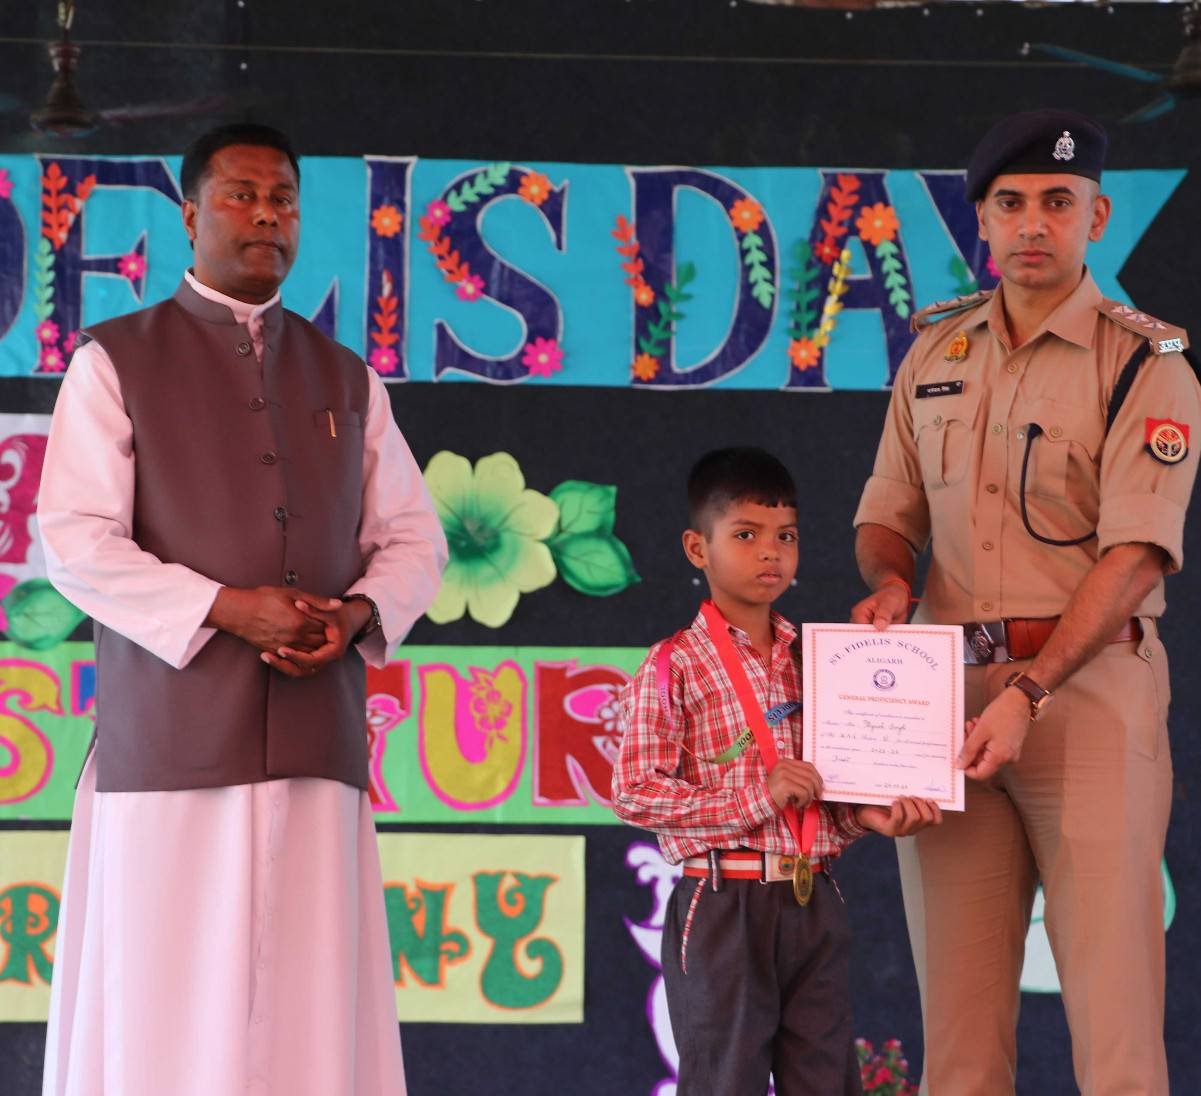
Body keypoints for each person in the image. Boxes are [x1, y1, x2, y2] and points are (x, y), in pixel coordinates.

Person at [37, 123, 446, 1096]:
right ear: (188, 216)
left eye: (284, 200)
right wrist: (225, 607)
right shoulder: (115, 360)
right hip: (169, 746)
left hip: (315, 741)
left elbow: (414, 540)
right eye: (241, 195)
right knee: (160, 1006)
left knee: (311, 1007)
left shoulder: (346, 375)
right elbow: (76, 539)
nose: (266, 215)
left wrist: (354, 618)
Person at [851, 109, 1201, 1095]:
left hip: (1085, 699)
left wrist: (1030, 692)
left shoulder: (1145, 363)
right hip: (948, 708)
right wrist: (889, 580)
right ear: (982, 221)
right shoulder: (934, 351)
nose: (1031, 223)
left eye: (1056, 201)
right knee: (957, 1052)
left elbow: (1135, 557)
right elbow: (886, 513)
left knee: (1116, 1041)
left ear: (1097, 215)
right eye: (1009, 203)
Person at [613, 446, 941, 1096]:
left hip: (811, 898)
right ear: (697, 548)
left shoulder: (819, 662)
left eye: (785, 537)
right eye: (746, 535)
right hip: (721, 903)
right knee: (724, 1080)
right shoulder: (673, 663)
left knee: (826, 1080)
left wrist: (865, 815)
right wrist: (755, 797)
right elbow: (634, 793)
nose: (770, 553)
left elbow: (822, 794)